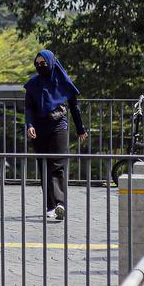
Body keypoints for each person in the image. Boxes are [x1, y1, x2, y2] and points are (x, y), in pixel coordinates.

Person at [24, 50, 87, 221]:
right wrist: (29, 125)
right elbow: (29, 108)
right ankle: (50, 205)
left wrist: (80, 129)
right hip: (38, 129)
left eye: (43, 63)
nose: (40, 66)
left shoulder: (63, 82)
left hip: (59, 125)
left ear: (51, 63)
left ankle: (61, 204)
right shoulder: (32, 84)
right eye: (37, 64)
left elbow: (74, 107)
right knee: (44, 166)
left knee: (57, 165)